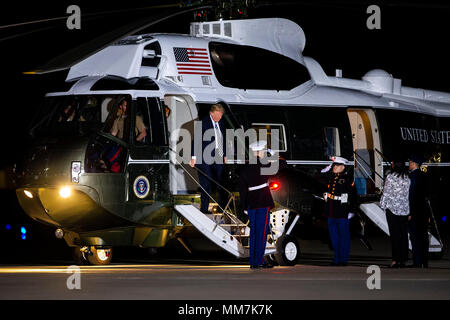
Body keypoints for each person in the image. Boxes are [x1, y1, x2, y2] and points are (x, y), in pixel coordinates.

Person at [239, 140, 275, 269]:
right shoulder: (265, 164)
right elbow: (282, 165)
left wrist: (244, 206)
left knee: (254, 233)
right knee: (262, 232)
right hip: (262, 201)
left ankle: (254, 261)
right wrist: (273, 154)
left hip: (251, 203)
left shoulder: (245, 167)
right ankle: (259, 260)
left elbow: (242, 189)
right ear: (260, 152)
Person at [190, 104, 226, 214]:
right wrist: (193, 157)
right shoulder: (203, 123)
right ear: (212, 113)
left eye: (221, 115)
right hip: (205, 158)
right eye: (218, 115)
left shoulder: (221, 123)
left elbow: (223, 138)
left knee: (221, 183)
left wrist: (224, 154)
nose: (220, 117)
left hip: (218, 157)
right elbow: (196, 140)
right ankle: (204, 209)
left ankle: (221, 207)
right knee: (206, 183)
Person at [321, 156, 354, 266]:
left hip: (342, 209)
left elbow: (353, 195)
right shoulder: (332, 177)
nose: (334, 167)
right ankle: (336, 258)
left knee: (344, 236)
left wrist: (351, 210)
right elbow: (320, 179)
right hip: (331, 209)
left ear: (343, 167)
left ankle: (343, 259)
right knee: (334, 236)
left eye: (337, 165)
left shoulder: (347, 179)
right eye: (334, 165)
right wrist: (325, 171)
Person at [380, 159, 410, 268]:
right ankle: (403, 259)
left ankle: (395, 260)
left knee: (395, 236)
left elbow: (386, 193)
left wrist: (382, 206)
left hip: (392, 210)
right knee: (403, 235)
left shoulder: (391, 177)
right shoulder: (407, 178)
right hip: (405, 210)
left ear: (394, 165)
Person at [408, 154, 429, 268]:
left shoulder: (413, 177)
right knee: (423, 236)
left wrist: (410, 212)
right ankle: (424, 261)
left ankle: (417, 261)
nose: (409, 164)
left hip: (415, 211)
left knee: (415, 237)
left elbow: (411, 195)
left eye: (410, 162)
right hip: (423, 210)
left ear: (414, 163)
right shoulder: (424, 175)